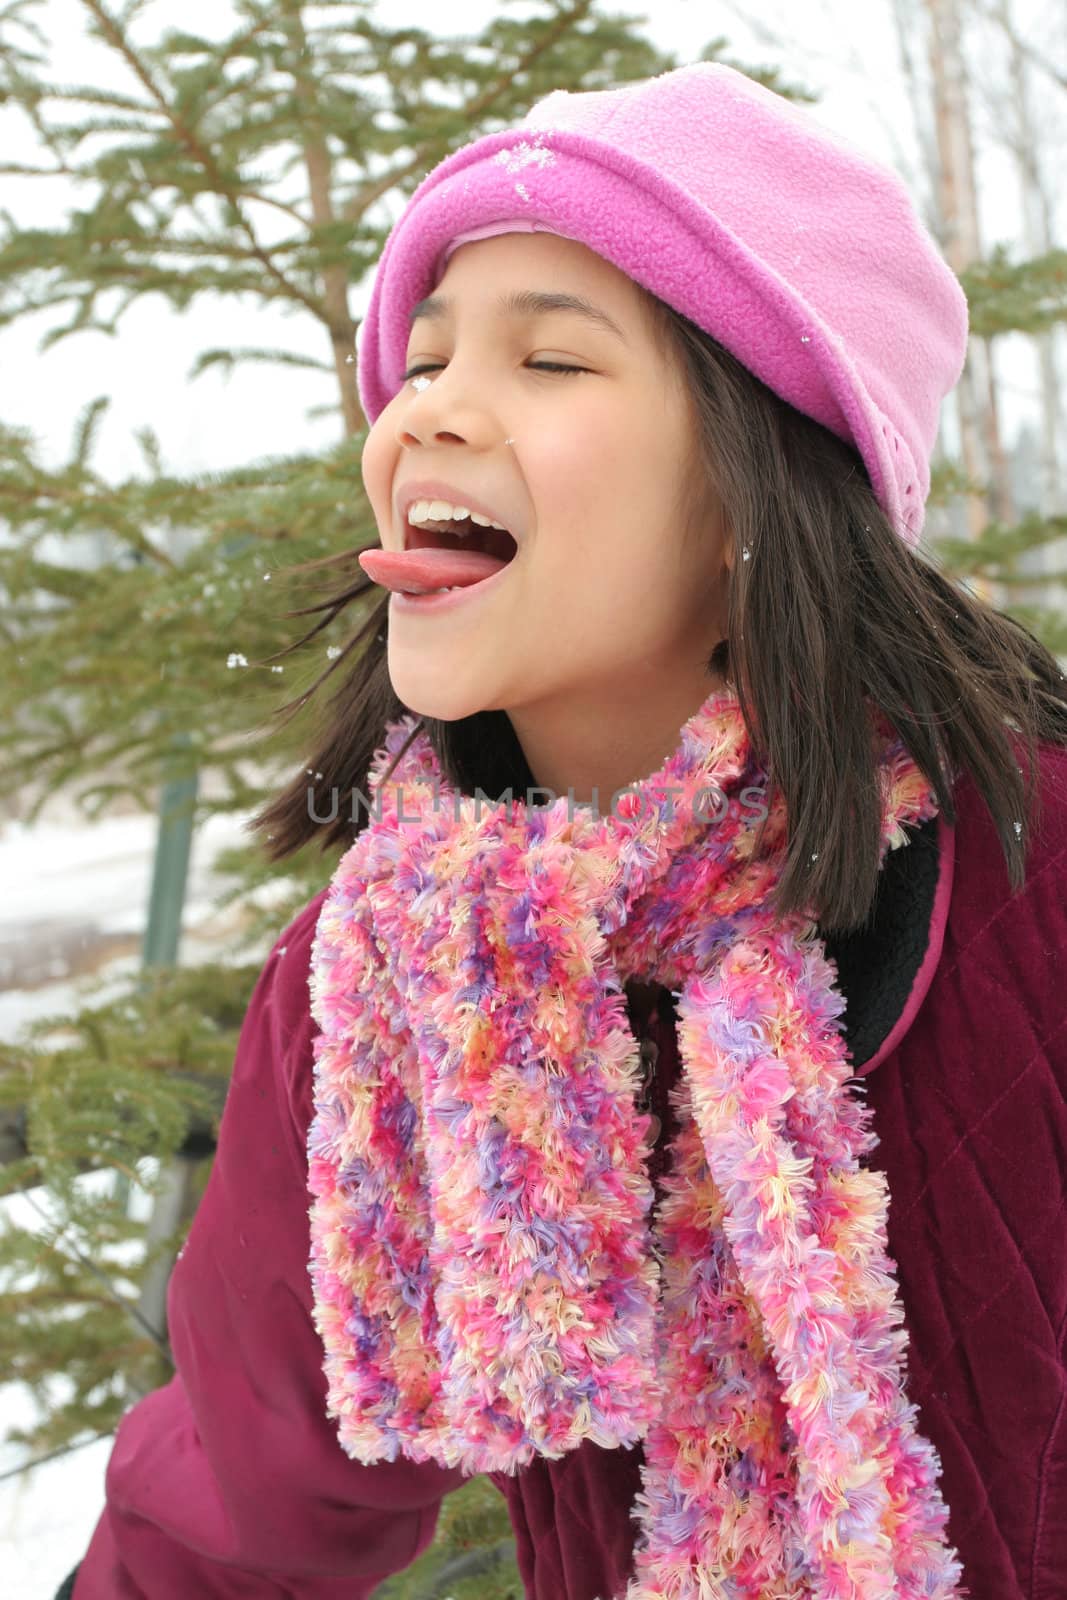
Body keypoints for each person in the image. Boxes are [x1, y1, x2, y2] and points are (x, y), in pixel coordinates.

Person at [64, 62, 1067, 1600]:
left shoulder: (1035, 871)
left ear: (758, 480)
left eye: (551, 359)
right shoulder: (383, 974)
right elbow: (234, 1509)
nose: (430, 410)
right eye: (422, 360)